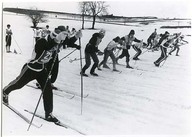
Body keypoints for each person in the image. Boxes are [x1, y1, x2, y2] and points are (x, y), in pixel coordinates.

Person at [3, 27, 67, 123]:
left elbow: (57, 51)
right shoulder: (42, 41)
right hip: (31, 68)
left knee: (48, 91)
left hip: (42, 70)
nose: (55, 40)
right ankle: (4, 92)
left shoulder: (55, 43)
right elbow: (42, 50)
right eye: (54, 37)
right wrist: (56, 41)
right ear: (51, 35)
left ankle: (48, 113)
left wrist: (74, 38)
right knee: (18, 84)